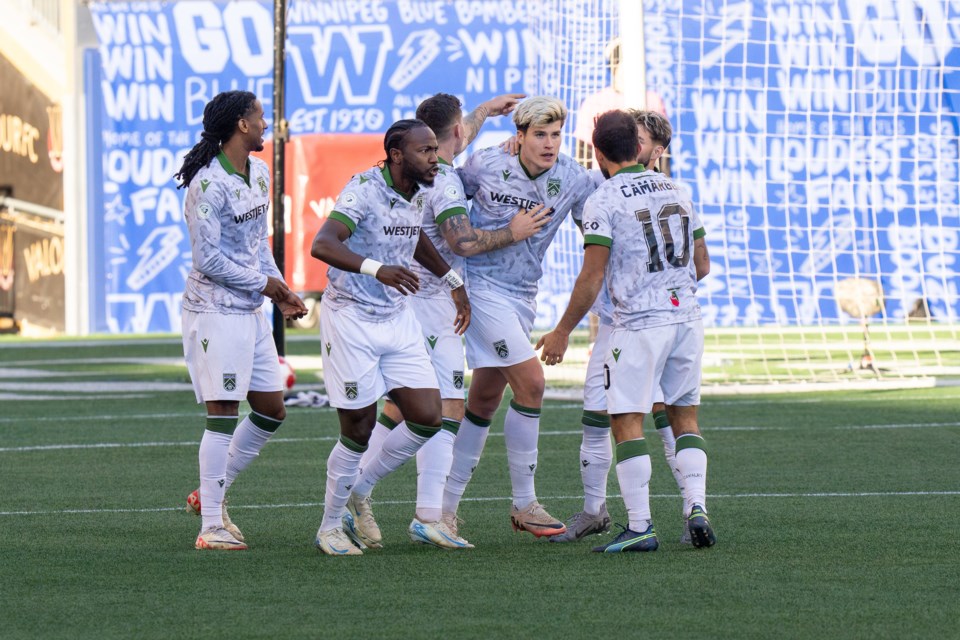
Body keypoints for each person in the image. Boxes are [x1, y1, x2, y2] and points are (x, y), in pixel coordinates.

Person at [345, 93, 551, 550]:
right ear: (451, 134)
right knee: (449, 408)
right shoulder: (446, 182)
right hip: (431, 305)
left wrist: (481, 113)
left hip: (401, 299)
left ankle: (359, 495)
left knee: (401, 408)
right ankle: (417, 511)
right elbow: (463, 242)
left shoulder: (418, 166)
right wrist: (511, 232)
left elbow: (456, 137)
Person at [538, 109, 714, 553]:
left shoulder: (605, 200)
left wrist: (561, 331)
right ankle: (696, 506)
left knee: (625, 421)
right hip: (687, 320)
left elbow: (591, 277)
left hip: (636, 326)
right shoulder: (679, 189)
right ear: (640, 148)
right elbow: (703, 264)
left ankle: (640, 527)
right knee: (683, 418)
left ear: (597, 152)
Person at [310, 119, 471, 556]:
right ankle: (328, 527)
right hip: (351, 318)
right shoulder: (363, 189)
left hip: (397, 318)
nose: (434, 158)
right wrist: (375, 268)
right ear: (397, 155)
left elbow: (412, 235)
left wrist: (451, 278)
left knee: (427, 416)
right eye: (425, 151)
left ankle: (358, 491)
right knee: (358, 427)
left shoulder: (418, 192)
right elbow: (322, 243)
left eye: (436, 149)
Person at [440, 96, 595, 539]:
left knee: (485, 399)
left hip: (523, 294)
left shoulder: (574, 179)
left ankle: (443, 509)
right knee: (531, 383)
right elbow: (442, 193)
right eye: (539, 135)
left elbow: (596, 235)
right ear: (520, 136)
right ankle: (525, 502)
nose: (549, 144)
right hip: (479, 288)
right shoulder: (486, 163)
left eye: (556, 135)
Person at [174, 90, 308, 551]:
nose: (266, 122)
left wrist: (281, 290)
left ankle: (209, 494)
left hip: (249, 310)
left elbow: (256, 246)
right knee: (224, 412)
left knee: (271, 409)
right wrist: (265, 287)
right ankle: (211, 526)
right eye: (259, 116)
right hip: (213, 311)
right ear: (241, 125)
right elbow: (207, 259)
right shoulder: (207, 185)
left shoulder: (259, 172)